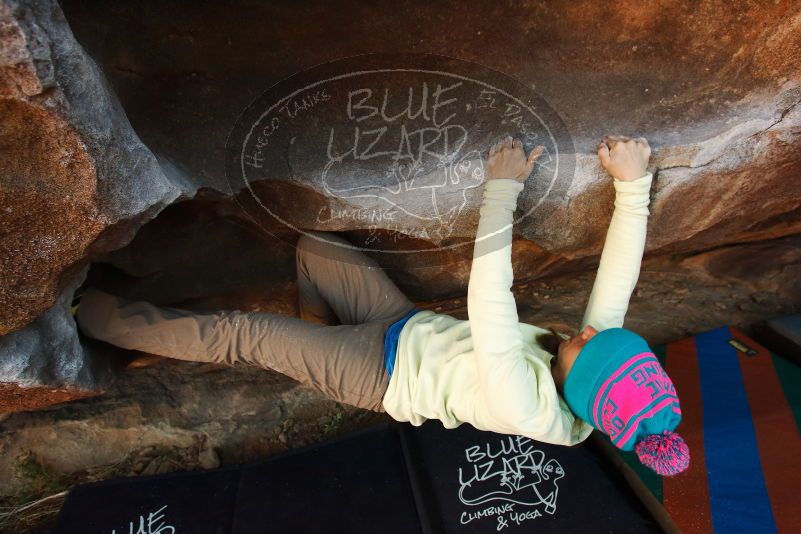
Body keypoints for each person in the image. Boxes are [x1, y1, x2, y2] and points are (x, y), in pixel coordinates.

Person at [75, 135, 689, 477]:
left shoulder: (526, 404)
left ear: (577, 382)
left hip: (381, 373)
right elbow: (617, 285)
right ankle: (314, 336)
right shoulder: (593, 370)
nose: (583, 330)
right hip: (404, 325)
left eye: (586, 342)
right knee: (315, 247)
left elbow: (489, 296)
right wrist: (632, 184)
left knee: (243, 334)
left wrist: (501, 186)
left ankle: (89, 313)